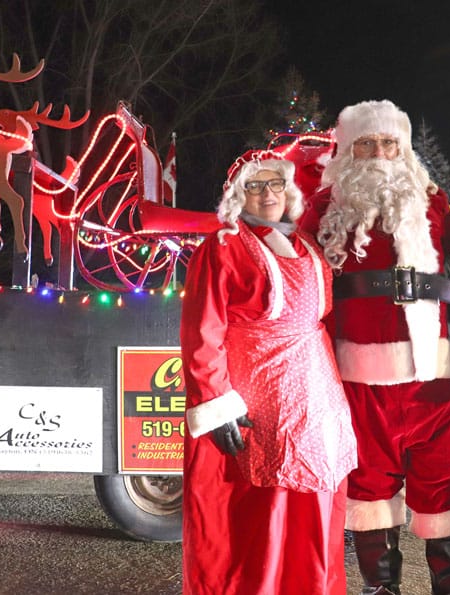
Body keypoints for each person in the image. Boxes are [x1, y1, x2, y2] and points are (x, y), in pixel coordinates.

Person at [302, 99, 450, 595]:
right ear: (347, 150)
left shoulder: (435, 201)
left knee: (444, 481)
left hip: (430, 377)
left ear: (403, 149)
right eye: (366, 143)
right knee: (368, 486)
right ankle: (381, 588)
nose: (378, 153)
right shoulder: (323, 208)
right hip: (358, 379)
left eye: (389, 143)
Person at [179, 150, 357, 595]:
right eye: (254, 186)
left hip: (316, 405)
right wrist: (214, 403)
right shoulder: (223, 247)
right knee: (266, 515)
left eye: (275, 183)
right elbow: (203, 330)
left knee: (314, 514)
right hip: (261, 406)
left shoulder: (308, 246)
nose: (267, 194)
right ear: (238, 196)